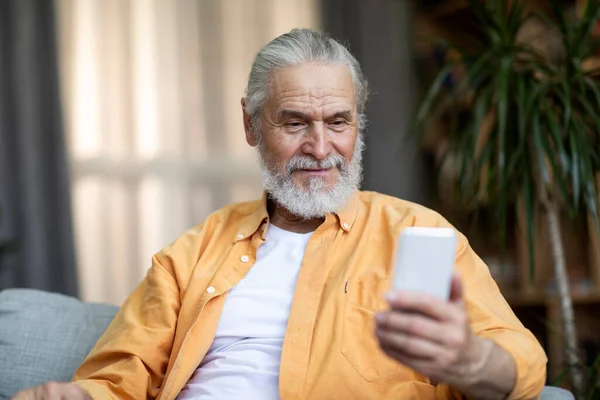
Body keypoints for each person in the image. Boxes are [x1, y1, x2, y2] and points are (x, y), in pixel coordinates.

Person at [12, 29, 546, 400]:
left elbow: (520, 364)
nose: (321, 147)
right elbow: (119, 377)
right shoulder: (193, 252)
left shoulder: (420, 235)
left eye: (338, 121)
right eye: (294, 123)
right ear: (251, 126)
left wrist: (471, 361)